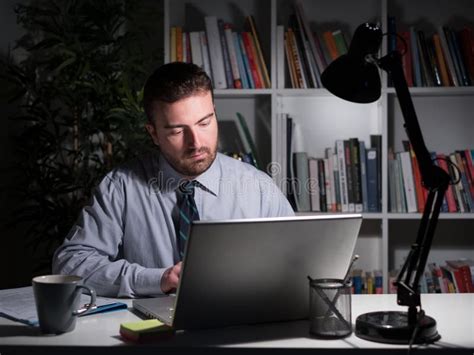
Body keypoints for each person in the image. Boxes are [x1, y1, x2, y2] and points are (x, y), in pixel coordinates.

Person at [52, 62, 294, 298]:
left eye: (204, 122)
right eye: (177, 131)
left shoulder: (258, 187)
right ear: (153, 133)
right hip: (149, 331)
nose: (196, 143)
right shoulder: (121, 187)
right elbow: (70, 264)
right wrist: (157, 279)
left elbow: (298, 260)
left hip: (239, 324)